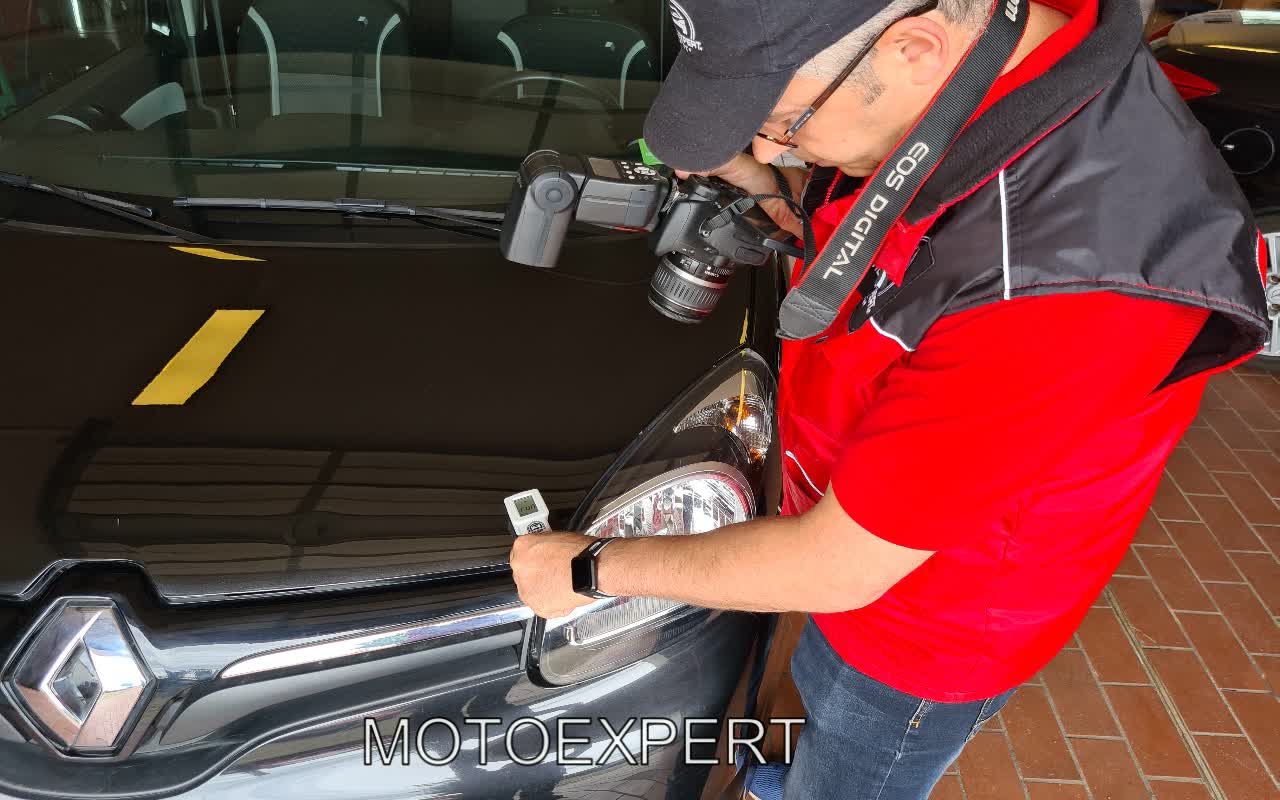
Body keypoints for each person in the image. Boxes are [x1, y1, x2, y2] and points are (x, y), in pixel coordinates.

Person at [509, 0, 1271, 796]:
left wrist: (591, 570)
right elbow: (914, 223)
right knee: (819, 682)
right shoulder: (998, 66)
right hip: (865, 540)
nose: (767, 143)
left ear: (914, 49)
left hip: (926, 629)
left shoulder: (1067, 290)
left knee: (853, 760)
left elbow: (838, 567)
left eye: (783, 122)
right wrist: (783, 183)